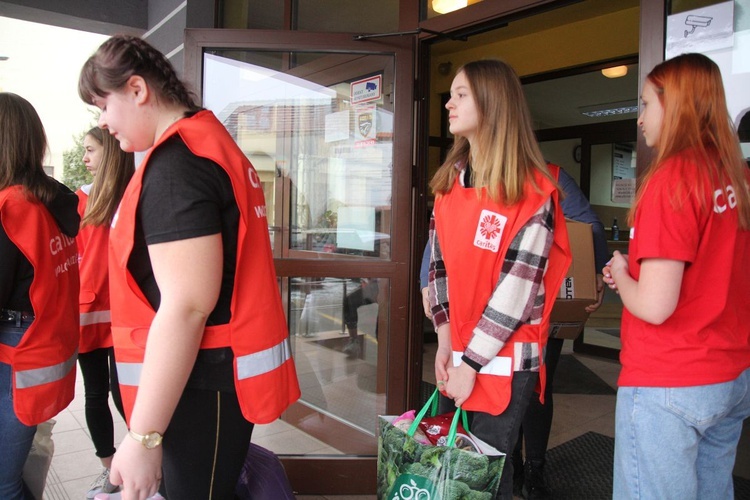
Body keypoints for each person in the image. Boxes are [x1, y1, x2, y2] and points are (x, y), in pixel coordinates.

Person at [78, 35, 301, 500]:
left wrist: (143, 437)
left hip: (201, 385)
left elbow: (185, 307)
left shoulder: (177, 166)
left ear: (137, 90)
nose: (103, 122)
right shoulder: (208, 144)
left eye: (103, 105)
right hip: (206, 382)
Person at [603, 53, 750, 499]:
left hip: (669, 380)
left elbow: (654, 305)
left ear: (678, 104)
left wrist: (622, 272)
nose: (640, 118)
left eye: (646, 104)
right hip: (729, 376)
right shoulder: (736, 175)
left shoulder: (672, 179)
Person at [427, 59, 571, 500]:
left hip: (506, 360)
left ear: (492, 104)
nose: (448, 104)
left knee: (488, 476)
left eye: (461, 94)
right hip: (463, 352)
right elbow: (437, 268)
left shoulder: (533, 192)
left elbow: (516, 292)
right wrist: (445, 339)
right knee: (464, 471)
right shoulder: (450, 185)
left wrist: (469, 363)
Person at [420, 165, 608, 499]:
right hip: (471, 330)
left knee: (529, 400)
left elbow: (588, 227)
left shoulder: (545, 180)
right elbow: (439, 247)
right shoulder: (455, 181)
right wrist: (435, 304)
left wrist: (594, 271)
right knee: (483, 449)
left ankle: (533, 467)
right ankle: (516, 466)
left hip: (523, 328)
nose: (449, 107)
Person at [0, 92, 80, 499]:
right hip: (42, 344)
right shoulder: (53, 200)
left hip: (15, 347)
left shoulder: (11, 207)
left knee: (4, 482)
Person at [77, 126, 134, 498]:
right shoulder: (76, 201)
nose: (84, 158)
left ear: (110, 153)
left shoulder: (132, 194)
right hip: (87, 313)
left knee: (124, 393)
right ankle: (109, 469)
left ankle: (145, 456)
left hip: (127, 314)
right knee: (96, 394)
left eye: (91, 150)